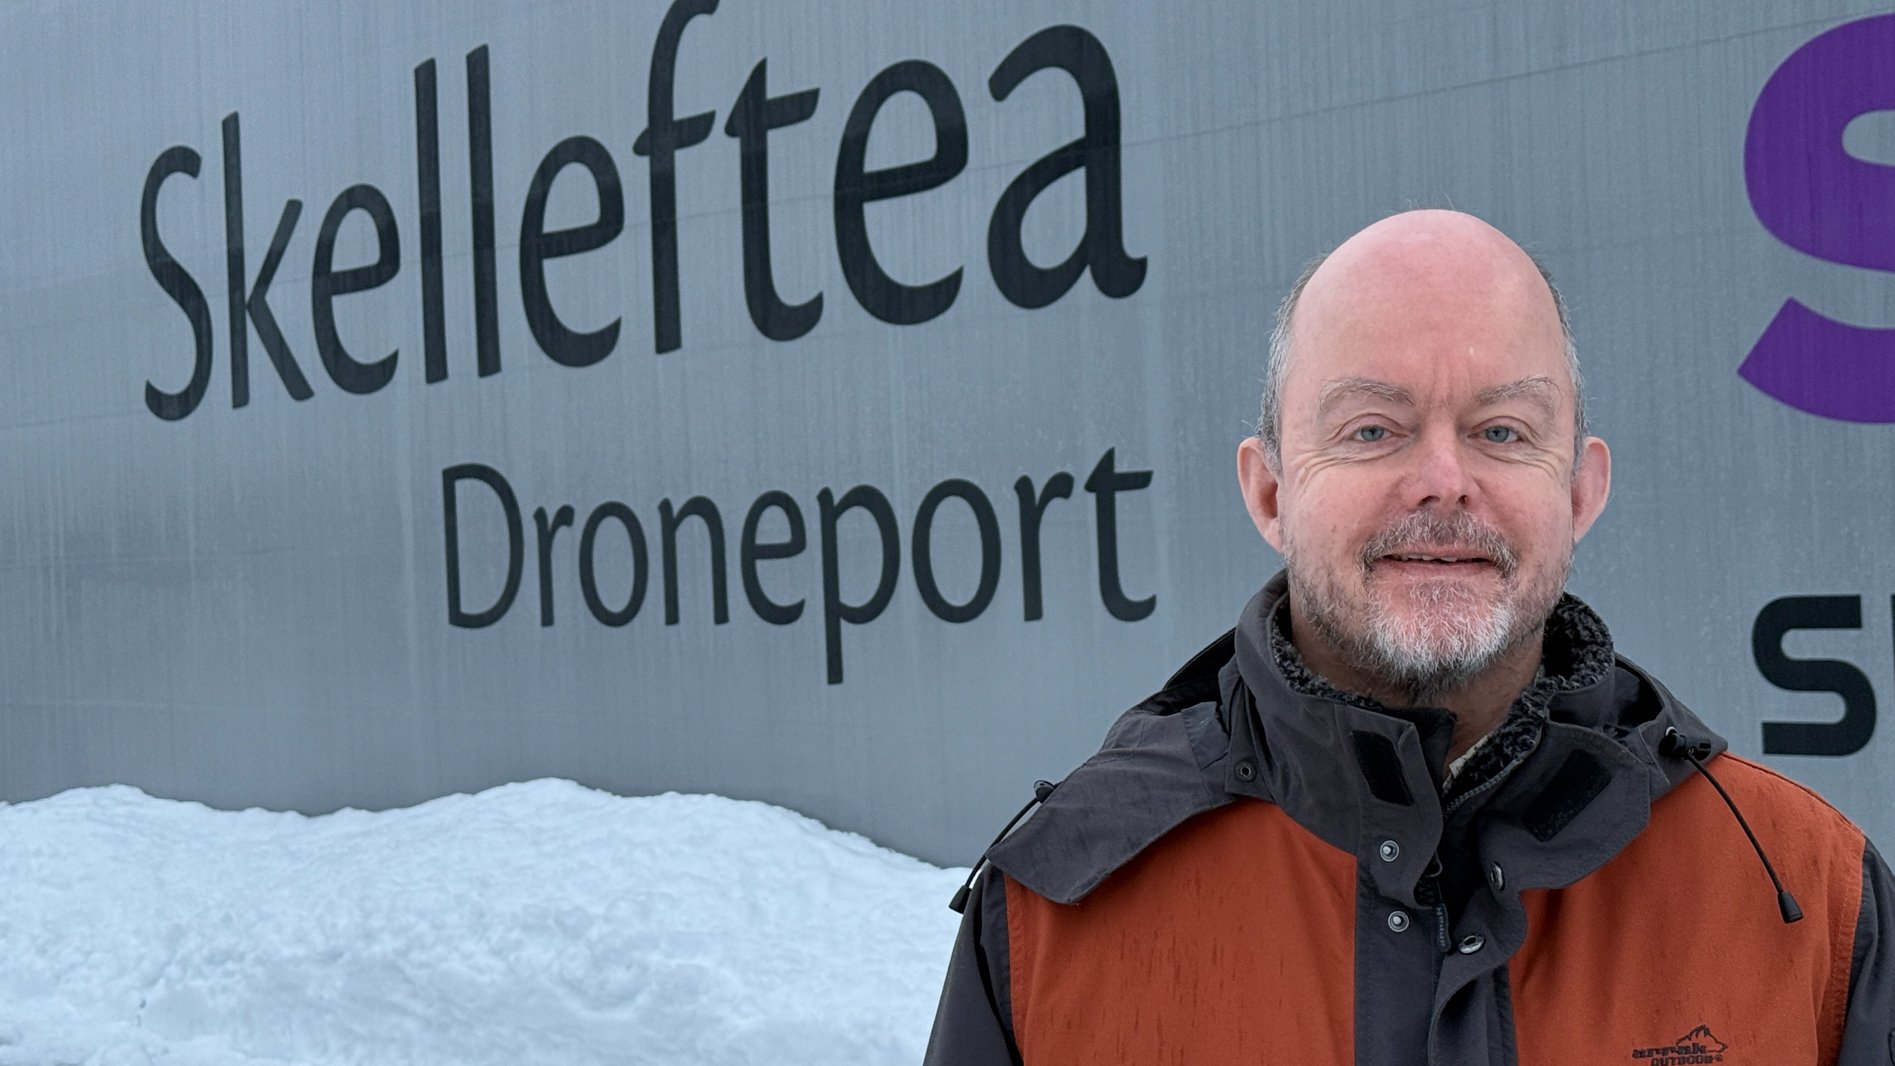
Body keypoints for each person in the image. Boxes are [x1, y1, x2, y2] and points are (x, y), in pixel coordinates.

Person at [923, 210, 1895, 1065]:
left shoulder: (1803, 897)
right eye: (1370, 429)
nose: (1441, 481)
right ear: (1269, 492)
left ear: (1579, 490)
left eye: (1501, 430)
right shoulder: (1058, 911)